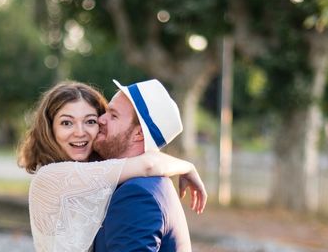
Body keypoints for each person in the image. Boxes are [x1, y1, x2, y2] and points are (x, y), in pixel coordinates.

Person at [17, 80, 206, 252]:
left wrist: (187, 167)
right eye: (67, 123)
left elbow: (148, 164)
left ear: (139, 134)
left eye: (91, 120)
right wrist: (188, 167)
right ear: (50, 128)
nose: (81, 131)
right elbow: (148, 164)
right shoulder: (52, 176)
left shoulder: (136, 192)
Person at [92, 79, 195, 251]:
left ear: (138, 133)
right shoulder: (148, 183)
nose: (100, 119)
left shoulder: (136, 194)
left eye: (113, 115)